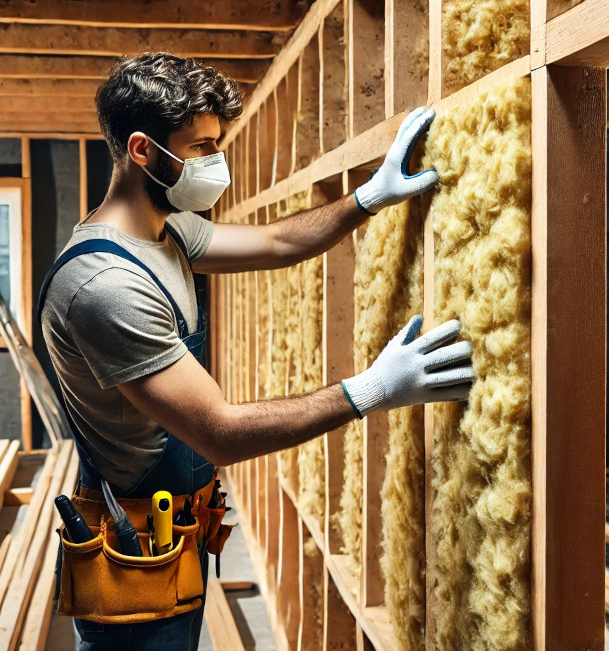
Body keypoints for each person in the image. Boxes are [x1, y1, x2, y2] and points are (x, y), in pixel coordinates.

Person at [39, 53, 474, 650]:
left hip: (175, 529)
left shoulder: (164, 233)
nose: (216, 162)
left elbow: (274, 241)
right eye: (199, 148)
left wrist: (367, 197)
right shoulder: (105, 286)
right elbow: (217, 432)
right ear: (142, 151)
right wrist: (370, 390)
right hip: (134, 550)